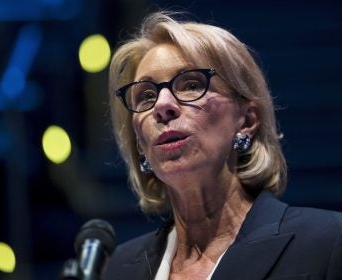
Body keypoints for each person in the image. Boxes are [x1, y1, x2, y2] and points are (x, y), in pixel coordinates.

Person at [104, 11, 342, 280]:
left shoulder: (327, 243)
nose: (162, 106)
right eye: (146, 96)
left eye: (191, 85)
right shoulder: (117, 269)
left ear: (247, 120)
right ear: (139, 142)